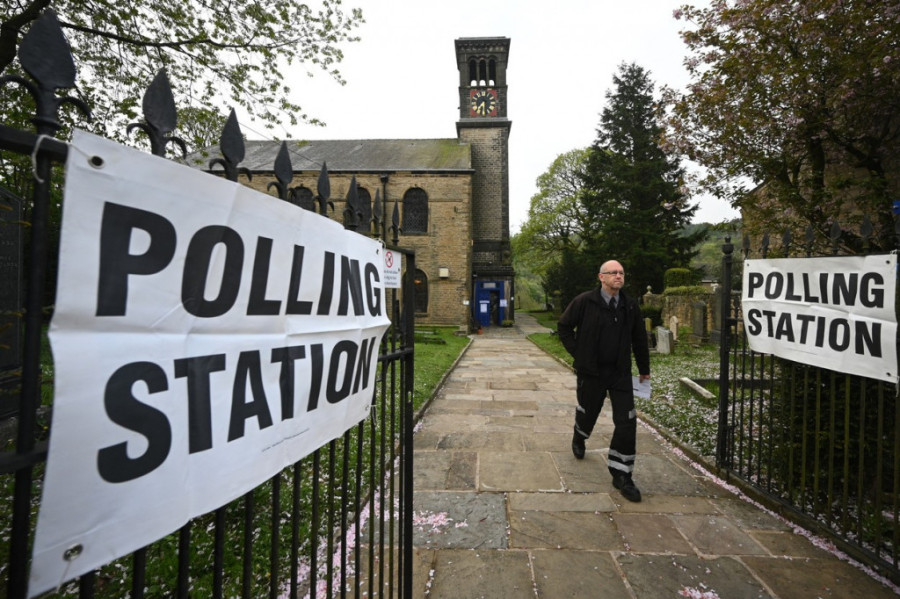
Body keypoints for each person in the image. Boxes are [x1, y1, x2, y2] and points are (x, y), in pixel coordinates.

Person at [557, 260, 651, 502]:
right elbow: (564, 327)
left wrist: (644, 369)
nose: (619, 276)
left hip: (620, 373)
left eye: (621, 272)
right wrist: (579, 354)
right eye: (613, 273)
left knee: (627, 421)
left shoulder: (629, 305)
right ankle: (580, 435)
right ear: (601, 277)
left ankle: (622, 474)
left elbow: (639, 337)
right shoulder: (584, 302)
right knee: (588, 411)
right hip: (592, 373)